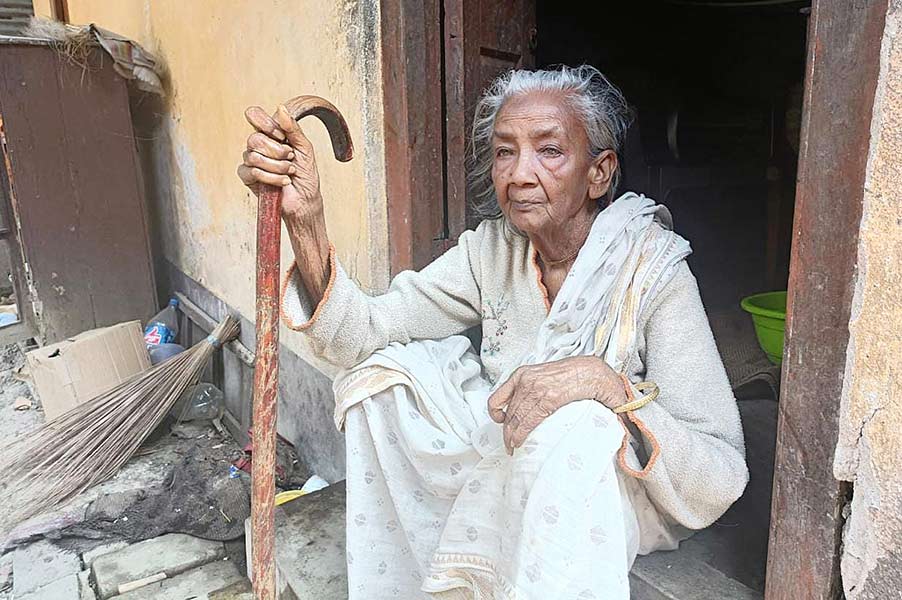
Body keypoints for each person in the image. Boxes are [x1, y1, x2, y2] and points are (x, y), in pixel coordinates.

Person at [238, 65, 748, 599]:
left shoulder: (654, 269)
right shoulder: (493, 251)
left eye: (549, 151)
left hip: (613, 490)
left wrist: (605, 385)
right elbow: (366, 331)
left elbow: (718, 470)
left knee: (582, 423)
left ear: (599, 173)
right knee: (384, 377)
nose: (520, 174)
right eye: (506, 151)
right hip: (508, 458)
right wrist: (307, 221)